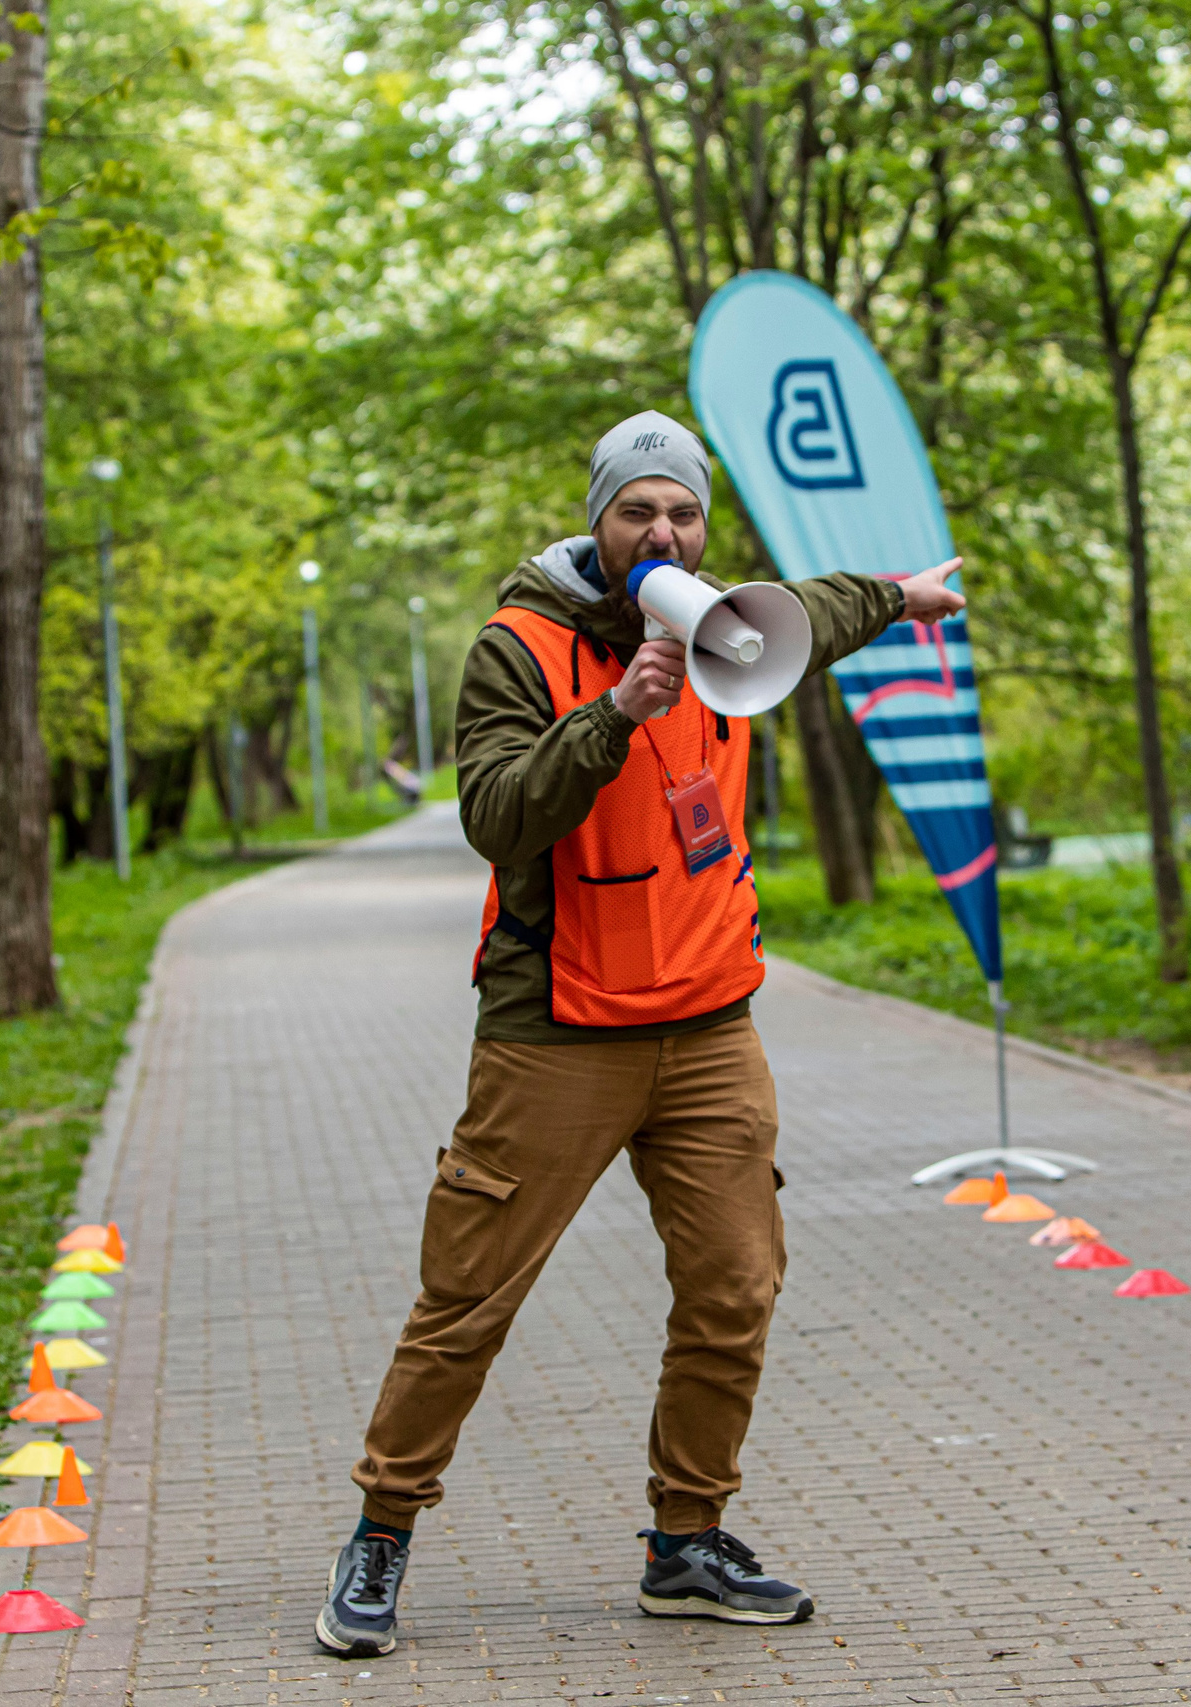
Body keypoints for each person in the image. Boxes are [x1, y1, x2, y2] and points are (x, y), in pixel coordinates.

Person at [317, 410, 967, 1656]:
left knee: (736, 1285)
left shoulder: (731, 623)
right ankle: (381, 1535)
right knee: (468, 1300)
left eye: (681, 514)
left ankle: (686, 1544)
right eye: (638, 512)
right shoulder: (519, 645)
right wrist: (613, 713)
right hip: (555, 1029)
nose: (661, 532)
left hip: (710, 1025)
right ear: (599, 521)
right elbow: (499, 819)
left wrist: (898, 594)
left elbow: (814, 612)